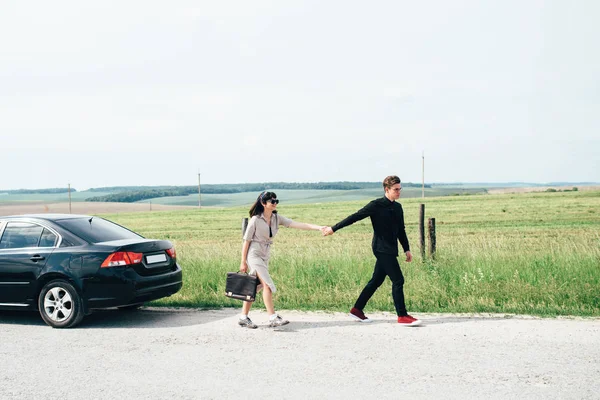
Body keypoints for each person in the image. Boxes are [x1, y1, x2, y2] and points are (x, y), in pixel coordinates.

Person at [322, 175, 421, 326]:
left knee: (376, 281)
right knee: (398, 280)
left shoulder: (398, 207)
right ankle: (402, 316)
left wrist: (406, 249)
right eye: (396, 189)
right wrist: (333, 229)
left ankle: (357, 309)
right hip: (381, 248)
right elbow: (354, 217)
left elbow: (401, 230)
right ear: (386, 189)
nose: (399, 192)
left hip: (391, 248)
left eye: (400, 189)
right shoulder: (376, 205)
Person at [238, 191, 324, 329]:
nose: (275, 204)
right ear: (263, 203)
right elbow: (246, 241)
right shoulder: (255, 220)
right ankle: (273, 317)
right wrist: (243, 261)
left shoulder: (277, 218)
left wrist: (319, 227)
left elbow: (298, 224)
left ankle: (243, 317)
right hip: (254, 253)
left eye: (276, 201)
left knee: (254, 286)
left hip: (265, 253)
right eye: (272, 201)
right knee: (267, 285)